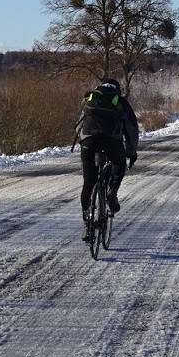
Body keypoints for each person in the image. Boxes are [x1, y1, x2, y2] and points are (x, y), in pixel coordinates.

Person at [77, 78, 139, 240]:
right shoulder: (120, 102)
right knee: (119, 164)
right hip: (112, 141)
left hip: (89, 141)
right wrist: (131, 152)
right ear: (117, 89)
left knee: (88, 182)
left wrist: (83, 142)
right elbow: (131, 128)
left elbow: (79, 123)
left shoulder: (90, 97)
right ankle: (112, 192)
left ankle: (87, 222)